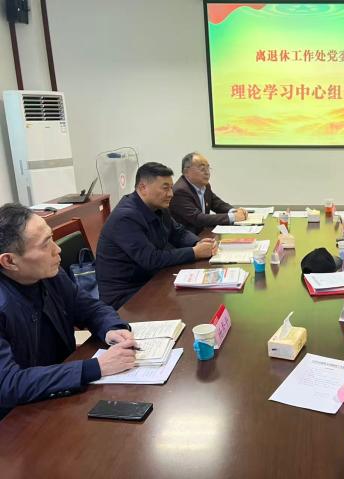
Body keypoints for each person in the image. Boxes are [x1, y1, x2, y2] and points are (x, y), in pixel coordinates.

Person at [0, 204, 137, 418]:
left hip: (61, 394)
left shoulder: (50, 275)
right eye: (45, 244)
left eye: (52, 238)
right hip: (18, 418)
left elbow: (90, 308)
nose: (57, 249)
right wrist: (95, 367)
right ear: (9, 261)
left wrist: (112, 328)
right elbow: (8, 384)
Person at [96, 162, 218, 309]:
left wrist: (198, 243)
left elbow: (178, 232)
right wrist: (194, 252)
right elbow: (151, 259)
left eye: (171, 188)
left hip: (152, 279)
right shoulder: (125, 217)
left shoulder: (159, 207)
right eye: (165, 188)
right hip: (126, 296)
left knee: (201, 298)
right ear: (143, 188)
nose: (171, 194)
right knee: (192, 305)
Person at [169, 152, 247, 234]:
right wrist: (233, 217)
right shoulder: (180, 191)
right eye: (202, 169)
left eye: (208, 168)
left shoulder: (205, 186)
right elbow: (198, 218)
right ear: (186, 171)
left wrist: (233, 211)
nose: (207, 172)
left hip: (202, 233)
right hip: (187, 237)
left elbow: (217, 204)